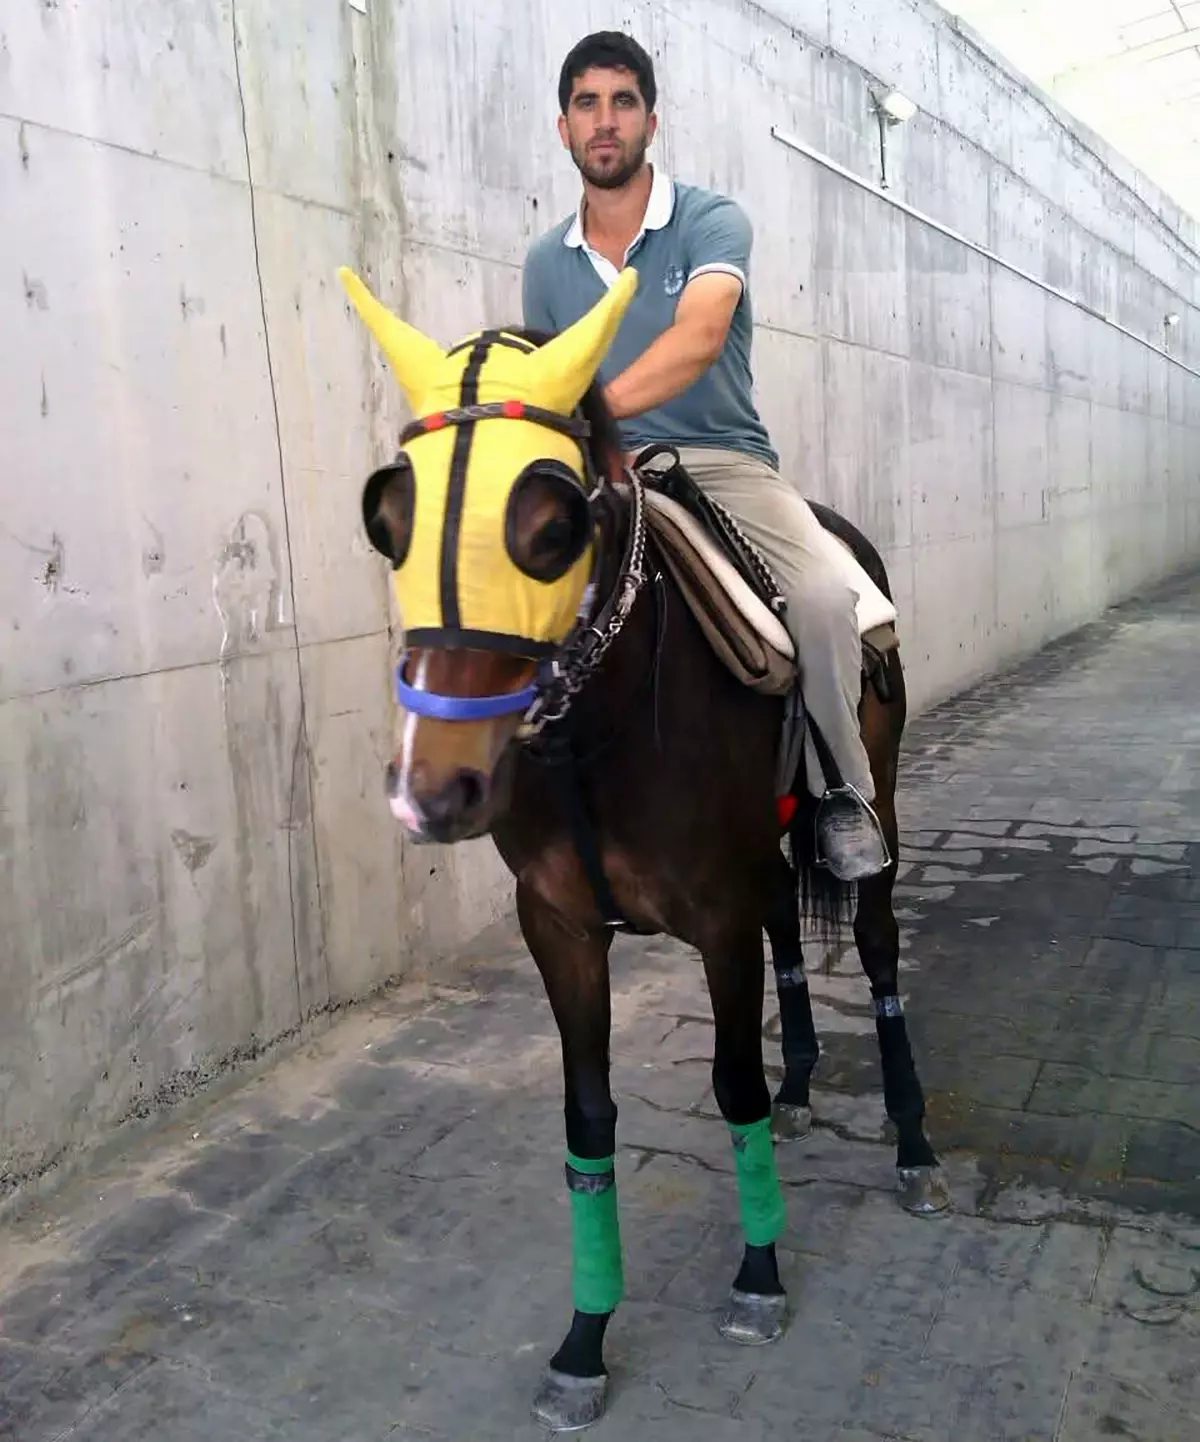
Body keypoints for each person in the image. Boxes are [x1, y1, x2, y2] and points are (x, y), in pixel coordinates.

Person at [521, 31, 888, 880]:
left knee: (822, 598)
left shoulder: (709, 220)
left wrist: (597, 413)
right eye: (586, 104)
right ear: (564, 127)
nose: (604, 120)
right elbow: (548, 384)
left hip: (720, 462)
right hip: (606, 476)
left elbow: (700, 337)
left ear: (651, 121)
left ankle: (843, 792)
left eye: (622, 102)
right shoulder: (546, 262)